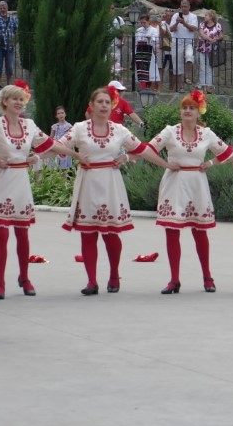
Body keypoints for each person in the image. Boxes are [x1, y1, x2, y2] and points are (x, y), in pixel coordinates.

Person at [60, 87, 169, 294]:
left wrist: (166, 165)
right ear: (91, 106)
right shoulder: (79, 128)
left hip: (110, 183)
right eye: (99, 102)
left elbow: (142, 150)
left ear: (112, 107)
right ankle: (91, 281)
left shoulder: (119, 130)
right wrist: (73, 156)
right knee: (88, 233)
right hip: (88, 183)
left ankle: (113, 275)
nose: (104, 105)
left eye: (107, 102)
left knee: (111, 233)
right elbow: (57, 145)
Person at [0, 81, 74, 299]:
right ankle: (0, 283)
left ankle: (25, 277)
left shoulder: (29, 125)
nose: (19, 102)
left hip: (20, 179)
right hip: (2, 179)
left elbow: (50, 144)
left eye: (22, 99)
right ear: (4, 102)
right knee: (2, 233)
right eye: (15, 98)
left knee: (22, 233)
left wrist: (75, 154)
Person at [149, 90, 233, 294]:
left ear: (199, 112)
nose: (188, 111)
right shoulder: (170, 132)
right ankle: (174, 279)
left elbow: (227, 152)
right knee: (172, 231)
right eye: (184, 108)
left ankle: (207, 277)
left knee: (200, 231)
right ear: (180, 111)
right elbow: (148, 149)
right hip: (174, 184)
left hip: (197, 184)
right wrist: (165, 164)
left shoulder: (206, 134)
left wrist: (210, 163)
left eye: (192, 108)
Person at [169, 0, 198, 91]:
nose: (184, 8)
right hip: (177, 42)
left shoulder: (193, 16)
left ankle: (187, 76)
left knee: (189, 56)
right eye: (182, 7)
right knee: (178, 65)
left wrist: (184, 23)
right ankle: (181, 87)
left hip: (188, 42)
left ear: (189, 7)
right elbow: (171, 29)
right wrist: (177, 22)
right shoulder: (175, 15)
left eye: (185, 6)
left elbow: (194, 29)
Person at [0, 1, 19, 88]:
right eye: (1, 8)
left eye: (4, 8)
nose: (2, 10)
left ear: (7, 8)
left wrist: (14, 41)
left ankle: (9, 85)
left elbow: (17, 30)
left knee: (10, 68)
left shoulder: (13, 19)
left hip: (10, 47)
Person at [196, 10, 223, 93]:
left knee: (210, 67)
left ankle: (209, 86)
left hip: (212, 49)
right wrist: (210, 39)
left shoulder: (218, 25)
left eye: (206, 15)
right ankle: (202, 86)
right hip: (202, 48)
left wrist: (216, 39)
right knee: (202, 67)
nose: (205, 17)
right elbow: (201, 34)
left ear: (211, 17)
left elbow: (221, 36)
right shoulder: (202, 24)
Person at [134, 14, 161, 92]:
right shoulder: (139, 30)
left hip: (148, 52)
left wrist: (150, 38)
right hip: (139, 52)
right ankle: (143, 88)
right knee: (140, 70)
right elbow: (136, 40)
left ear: (149, 21)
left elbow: (156, 41)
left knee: (149, 70)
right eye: (141, 23)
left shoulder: (154, 30)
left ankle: (148, 89)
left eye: (144, 22)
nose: (143, 24)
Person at [47, 106, 74, 170]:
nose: (60, 115)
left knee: (64, 167)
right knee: (55, 166)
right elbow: (51, 137)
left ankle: (64, 176)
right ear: (56, 116)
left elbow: (71, 138)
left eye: (62, 113)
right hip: (56, 147)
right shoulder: (54, 126)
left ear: (65, 114)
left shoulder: (69, 126)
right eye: (58, 113)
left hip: (65, 147)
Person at [110, 4, 125, 76]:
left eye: (112, 8)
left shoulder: (119, 19)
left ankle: (116, 79)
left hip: (116, 45)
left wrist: (122, 42)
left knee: (117, 64)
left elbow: (124, 31)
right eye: (109, 8)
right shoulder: (104, 19)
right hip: (106, 46)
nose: (111, 10)